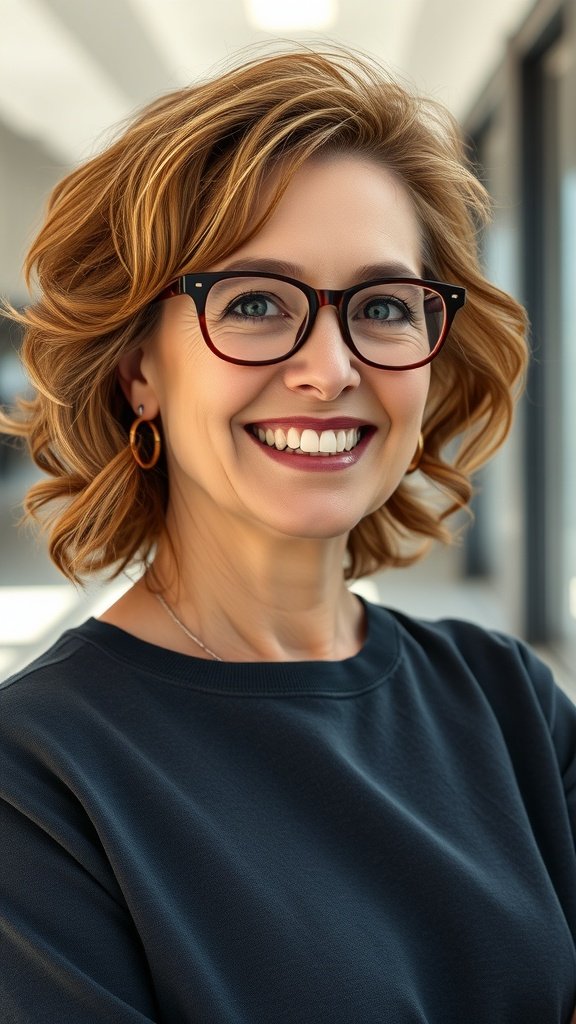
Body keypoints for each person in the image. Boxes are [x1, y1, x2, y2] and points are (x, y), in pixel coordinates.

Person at [1, 46, 575, 1024]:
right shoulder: (37, 775)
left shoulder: (506, 699)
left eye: (384, 307)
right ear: (140, 369)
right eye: (258, 303)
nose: (330, 367)